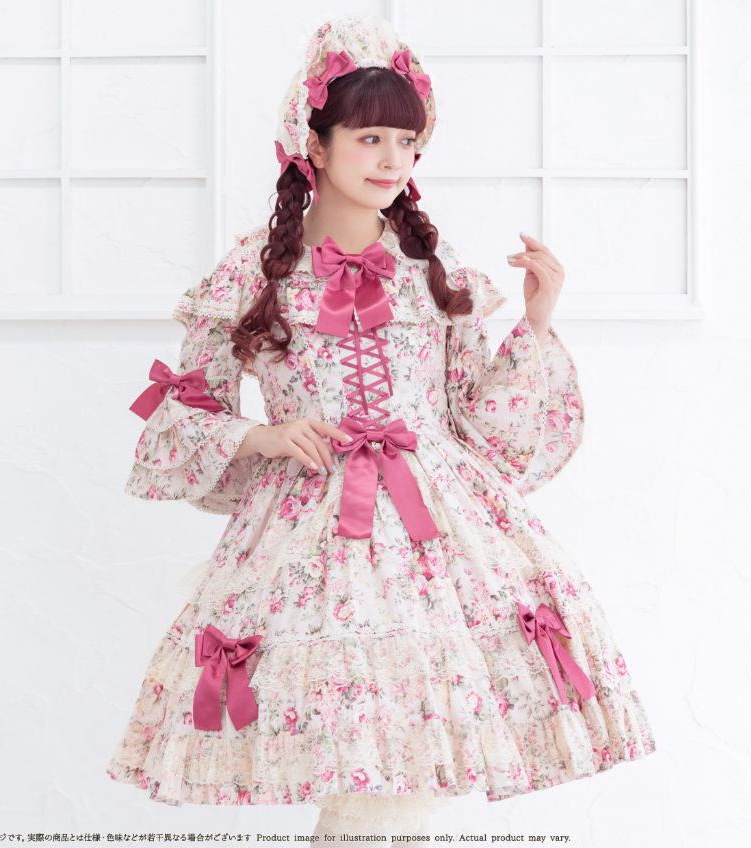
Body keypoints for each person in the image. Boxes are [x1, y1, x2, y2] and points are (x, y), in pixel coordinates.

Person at [105, 14, 656, 836]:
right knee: (351, 762)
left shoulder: (432, 269)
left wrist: (537, 320)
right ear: (315, 146)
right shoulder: (253, 273)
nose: (394, 160)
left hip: (439, 535)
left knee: (414, 757)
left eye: (407, 141)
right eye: (370, 139)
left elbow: (479, 417)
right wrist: (264, 436)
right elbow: (189, 408)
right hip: (308, 536)